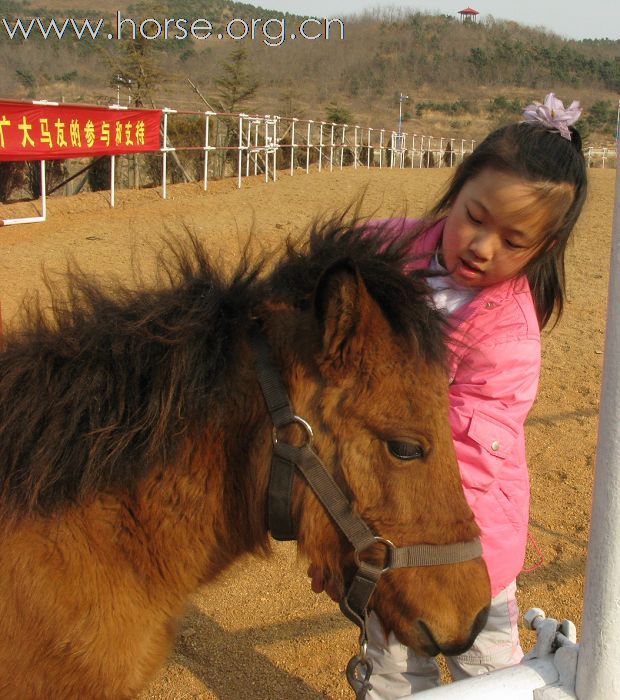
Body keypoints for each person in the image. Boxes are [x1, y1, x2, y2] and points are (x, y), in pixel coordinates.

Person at [309, 93, 588, 696]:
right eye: (476, 217)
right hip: (391, 534)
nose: (483, 246)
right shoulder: (385, 246)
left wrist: (365, 487)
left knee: (485, 672)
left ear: (545, 249)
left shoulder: (507, 333)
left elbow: (464, 448)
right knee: (389, 668)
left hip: (472, 544)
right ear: (458, 189)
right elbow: (324, 279)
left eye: (514, 241)